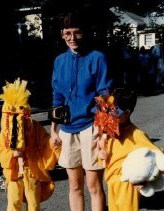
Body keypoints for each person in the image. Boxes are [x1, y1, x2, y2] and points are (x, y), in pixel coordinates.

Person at [50, 12, 113, 211]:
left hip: (91, 127)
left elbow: (105, 96)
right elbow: (57, 95)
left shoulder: (97, 57)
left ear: (84, 33)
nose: (72, 38)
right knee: (74, 185)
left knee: (93, 185)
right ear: (62, 34)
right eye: (67, 33)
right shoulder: (59, 61)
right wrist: (54, 130)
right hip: (67, 130)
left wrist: (104, 134)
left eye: (77, 33)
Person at [0, 79, 60, 211]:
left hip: (31, 172)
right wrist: (12, 154)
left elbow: (44, 142)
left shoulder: (35, 128)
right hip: (14, 174)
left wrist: (53, 144)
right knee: (14, 202)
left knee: (34, 203)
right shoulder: (4, 134)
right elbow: (1, 151)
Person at [98, 87, 164, 211]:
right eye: (109, 108)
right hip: (111, 182)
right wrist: (101, 155)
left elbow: (160, 156)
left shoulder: (136, 134)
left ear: (127, 112)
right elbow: (107, 157)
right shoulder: (110, 131)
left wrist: (148, 179)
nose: (110, 114)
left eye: (115, 111)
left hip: (127, 186)